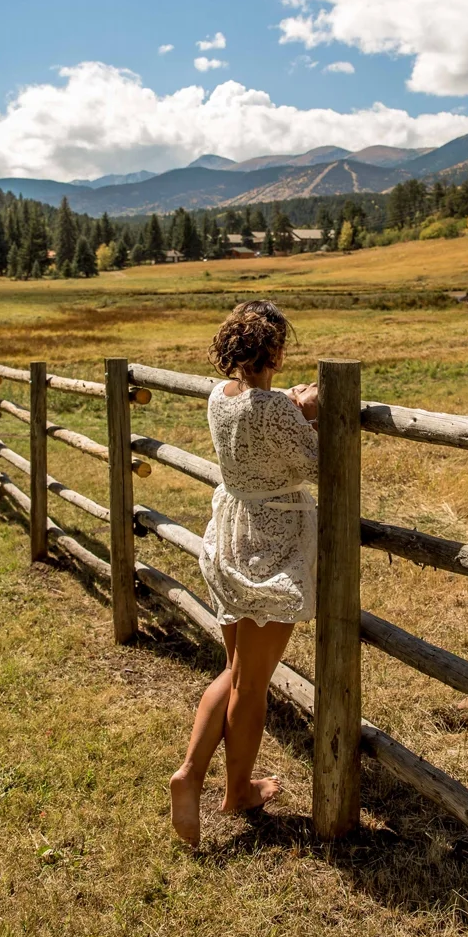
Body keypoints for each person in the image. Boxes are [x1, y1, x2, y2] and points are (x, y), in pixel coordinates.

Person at [169, 297, 320, 847]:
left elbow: (260, 418)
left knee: (236, 671)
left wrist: (291, 405)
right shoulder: (276, 410)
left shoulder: (220, 396)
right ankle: (207, 781)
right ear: (275, 352)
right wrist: (311, 410)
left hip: (232, 535)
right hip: (270, 545)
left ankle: (225, 784)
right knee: (252, 684)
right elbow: (320, 462)